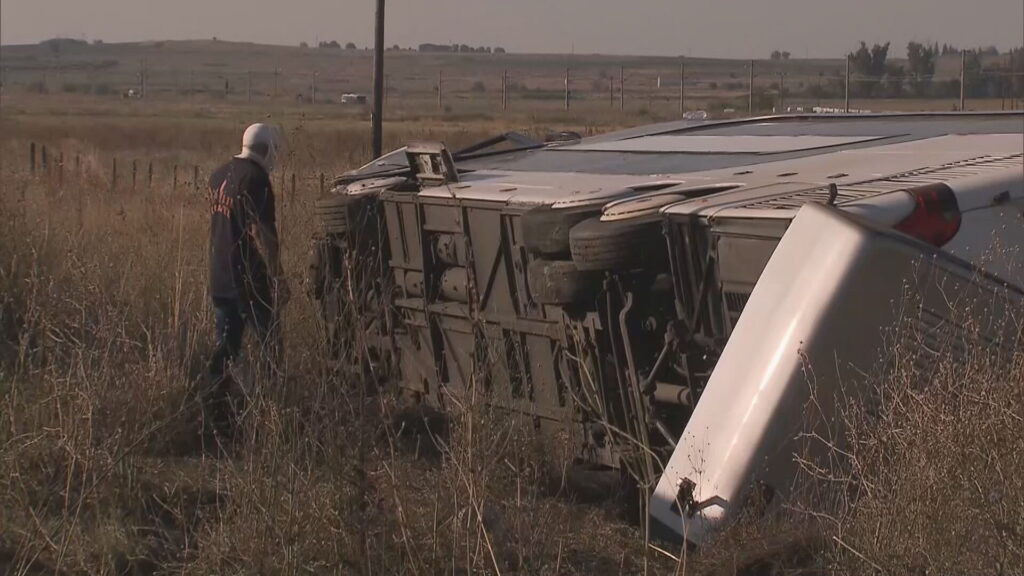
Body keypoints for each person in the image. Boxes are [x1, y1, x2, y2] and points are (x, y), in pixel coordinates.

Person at [204, 123, 288, 441]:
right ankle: (270, 416)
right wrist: (278, 276)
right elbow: (261, 233)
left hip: (220, 276)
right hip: (249, 281)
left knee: (226, 348)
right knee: (271, 347)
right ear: (267, 149)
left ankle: (215, 413)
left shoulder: (219, 174)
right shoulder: (256, 180)